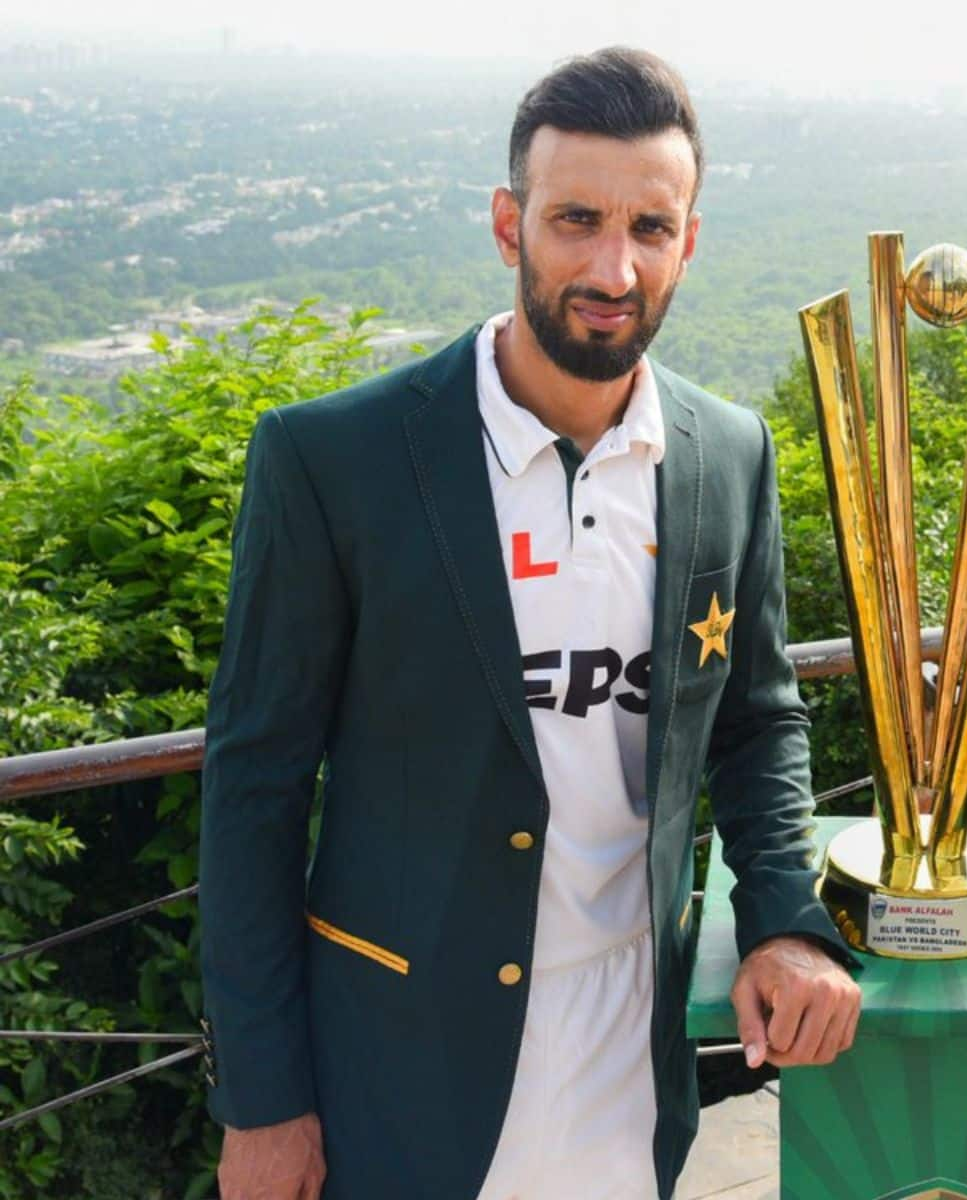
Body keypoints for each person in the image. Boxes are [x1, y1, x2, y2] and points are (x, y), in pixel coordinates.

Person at [197, 47, 860, 1200]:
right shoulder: (332, 460)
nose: (614, 265)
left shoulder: (729, 453)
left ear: (689, 241)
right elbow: (252, 788)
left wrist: (787, 922)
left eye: (651, 227)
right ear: (510, 225)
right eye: (576, 219)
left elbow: (758, 720)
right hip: (401, 1067)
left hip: (630, 1058)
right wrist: (264, 1101)